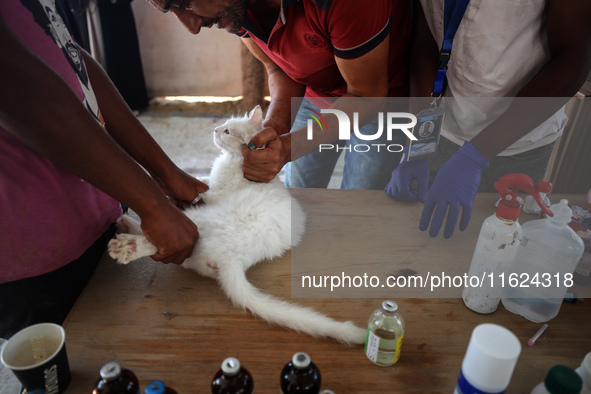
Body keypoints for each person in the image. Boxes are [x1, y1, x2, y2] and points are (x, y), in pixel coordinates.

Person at [0, 0, 209, 339]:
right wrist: (152, 202)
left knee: (120, 340)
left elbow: (69, 54)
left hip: (92, 215)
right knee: (81, 367)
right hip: (34, 244)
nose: (193, 25)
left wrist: (164, 171)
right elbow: (15, 86)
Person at [145, 0, 413, 189]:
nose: (191, 26)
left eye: (183, 2)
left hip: (379, 102)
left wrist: (290, 145)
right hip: (315, 94)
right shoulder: (234, 8)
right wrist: (276, 127)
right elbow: (278, 66)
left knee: (358, 205)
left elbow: (366, 95)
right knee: (299, 193)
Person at [385, 0, 591, 238]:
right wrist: (420, 143)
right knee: (418, 242)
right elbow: (428, 41)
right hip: (444, 128)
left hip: (516, 144)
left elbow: (574, 57)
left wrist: (475, 156)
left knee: (498, 248)